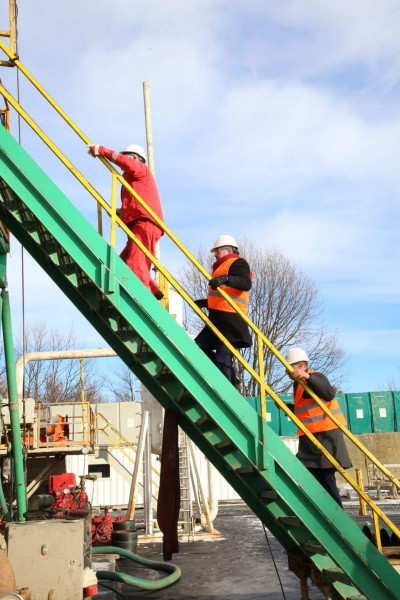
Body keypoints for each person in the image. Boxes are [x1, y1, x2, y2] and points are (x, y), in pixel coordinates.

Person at [88, 143, 164, 300]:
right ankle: (153, 290)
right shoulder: (133, 179)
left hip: (144, 223)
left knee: (135, 263)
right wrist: (120, 213)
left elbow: (125, 162)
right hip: (139, 223)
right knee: (122, 263)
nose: (124, 161)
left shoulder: (141, 169)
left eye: (127, 156)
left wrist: (103, 151)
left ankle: (142, 299)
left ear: (136, 158)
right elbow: (136, 202)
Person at [284, 347, 351, 507]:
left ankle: (338, 518)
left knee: (326, 479)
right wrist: (287, 408)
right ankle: (325, 513)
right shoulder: (298, 385)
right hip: (311, 438)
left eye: (289, 367)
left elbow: (328, 393)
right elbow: (306, 413)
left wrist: (307, 376)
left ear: (300, 365)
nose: (286, 372)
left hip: (325, 437)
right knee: (316, 479)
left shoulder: (315, 377)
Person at [194, 235, 252, 387]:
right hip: (218, 320)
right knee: (198, 348)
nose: (215, 254)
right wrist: (205, 302)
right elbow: (223, 296)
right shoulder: (220, 269)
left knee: (222, 358)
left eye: (217, 250)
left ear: (229, 250)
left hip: (231, 321)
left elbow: (245, 283)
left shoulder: (238, 263)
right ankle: (231, 379)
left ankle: (230, 389)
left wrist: (225, 279)